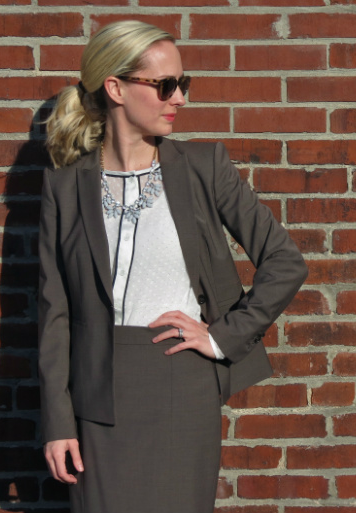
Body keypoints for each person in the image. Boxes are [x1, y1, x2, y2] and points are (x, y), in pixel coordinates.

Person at [38, 20, 307, 513]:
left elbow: (284, 261)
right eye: (165, 85)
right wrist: (57, 422)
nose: (179, 98)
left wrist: (222, 335)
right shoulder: (65, 187)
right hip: (97, 397)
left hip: (181, 385)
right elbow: (55, 313)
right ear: (116, 88)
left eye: (184, 84)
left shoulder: (204, 168)